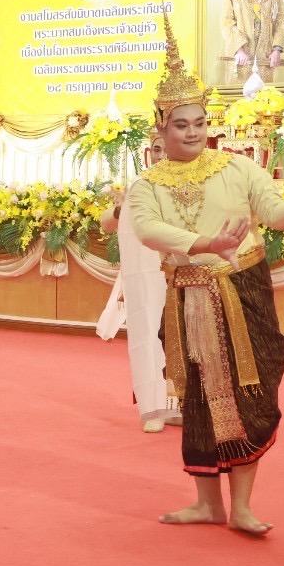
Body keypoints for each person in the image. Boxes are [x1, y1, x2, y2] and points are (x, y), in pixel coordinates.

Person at [128, 16, 284, 534]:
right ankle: (207, 503)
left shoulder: (237, 168)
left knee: (254, 391)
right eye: (180, 125)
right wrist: (203, 245)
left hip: (244, 290)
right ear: (161, 127)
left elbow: (275, 211)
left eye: (198, 123)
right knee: (196, 397)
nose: (192, 133)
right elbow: (148, 230)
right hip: (188, 299)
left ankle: (240, 507)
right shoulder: (147, 183)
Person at [96, 131, 181, 434]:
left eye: (165, 149)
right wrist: (120, 210)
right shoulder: (140, 186)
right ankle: (154, 406)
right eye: (156, 149)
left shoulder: (191, 183)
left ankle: (184, 408)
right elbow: (106, 222)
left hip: (184, 273)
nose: (160, 155)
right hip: (149, 277)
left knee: (185, 339)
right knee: (150, 335)